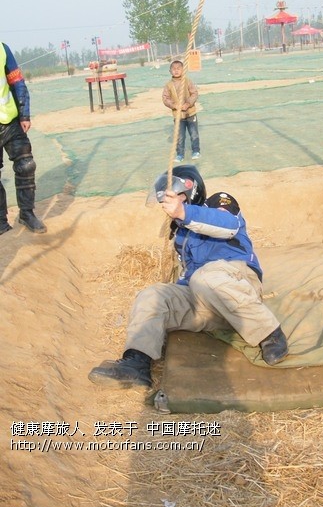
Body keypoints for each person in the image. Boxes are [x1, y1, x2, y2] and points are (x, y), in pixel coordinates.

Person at [88, 166, 289, 388]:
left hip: (238, 287)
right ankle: (136, 364)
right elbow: (188, 276)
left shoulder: (218, 203)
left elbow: (228, 227)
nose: (171, 204)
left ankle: (270, 334)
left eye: (176, 197)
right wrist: (172, 300)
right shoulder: (182, 233)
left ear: (190, 191)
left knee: (204, 277)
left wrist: (183, 213)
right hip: (209, 305)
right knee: (153, 295)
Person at [0, 42, 46, 234]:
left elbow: (16, 80)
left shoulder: (2, 48)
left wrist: (24, 113)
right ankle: (1, 222)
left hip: (10, 119)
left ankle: (26, 214)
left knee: (26, 165)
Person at [162, 60, 200, 162]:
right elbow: (165, 98)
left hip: (190, 113)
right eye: (173, 69)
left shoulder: (187, 81)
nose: (176, 70)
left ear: (183, 70)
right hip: (178, 115)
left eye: (179, 68)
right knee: (179, 136)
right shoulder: (168, 85)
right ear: (170, 71)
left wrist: (188, 104)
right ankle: (180, 154)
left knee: (194, 133)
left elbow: (194, 93)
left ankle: (196, 151)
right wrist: (174, 105)